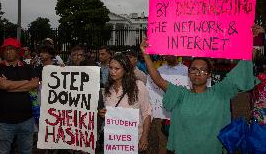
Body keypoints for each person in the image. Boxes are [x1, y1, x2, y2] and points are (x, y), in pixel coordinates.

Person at [139, 25, 263, 154]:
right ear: (188, 73)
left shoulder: (220, 92)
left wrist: (254, 41)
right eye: (194, 69)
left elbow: (242, 69)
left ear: (209, 74)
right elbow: (158, 80)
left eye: (203, 70)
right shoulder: (180, 94)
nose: (198, 73)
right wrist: (145, 53)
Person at [0, 38, 39, 154]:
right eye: (6, 49)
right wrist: (26, 83)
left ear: (18, 51)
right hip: (4, 121)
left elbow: (34, 85)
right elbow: (3, 85)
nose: (8, 52)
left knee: (26, 151)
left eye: (12, 49)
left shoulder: (28, 68)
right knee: (3, 151)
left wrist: (10, 85)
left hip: (26, 119)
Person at [98, 53, 152, 153]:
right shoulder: (108, 89)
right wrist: (104, 113)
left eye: (117, 68)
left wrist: (144, 137)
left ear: (126, 70)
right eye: (111, 68)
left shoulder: (138, 86)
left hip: (133, 141)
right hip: (113, 142)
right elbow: (111, 112)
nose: (112, 71)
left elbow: (147, 113)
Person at [153, 55, 188, 154]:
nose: (169, 56)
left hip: (179, 114)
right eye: (167, 53)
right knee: (163, 142)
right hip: (161, 112)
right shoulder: (160, 70)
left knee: (179, 142)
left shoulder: (186, 70)